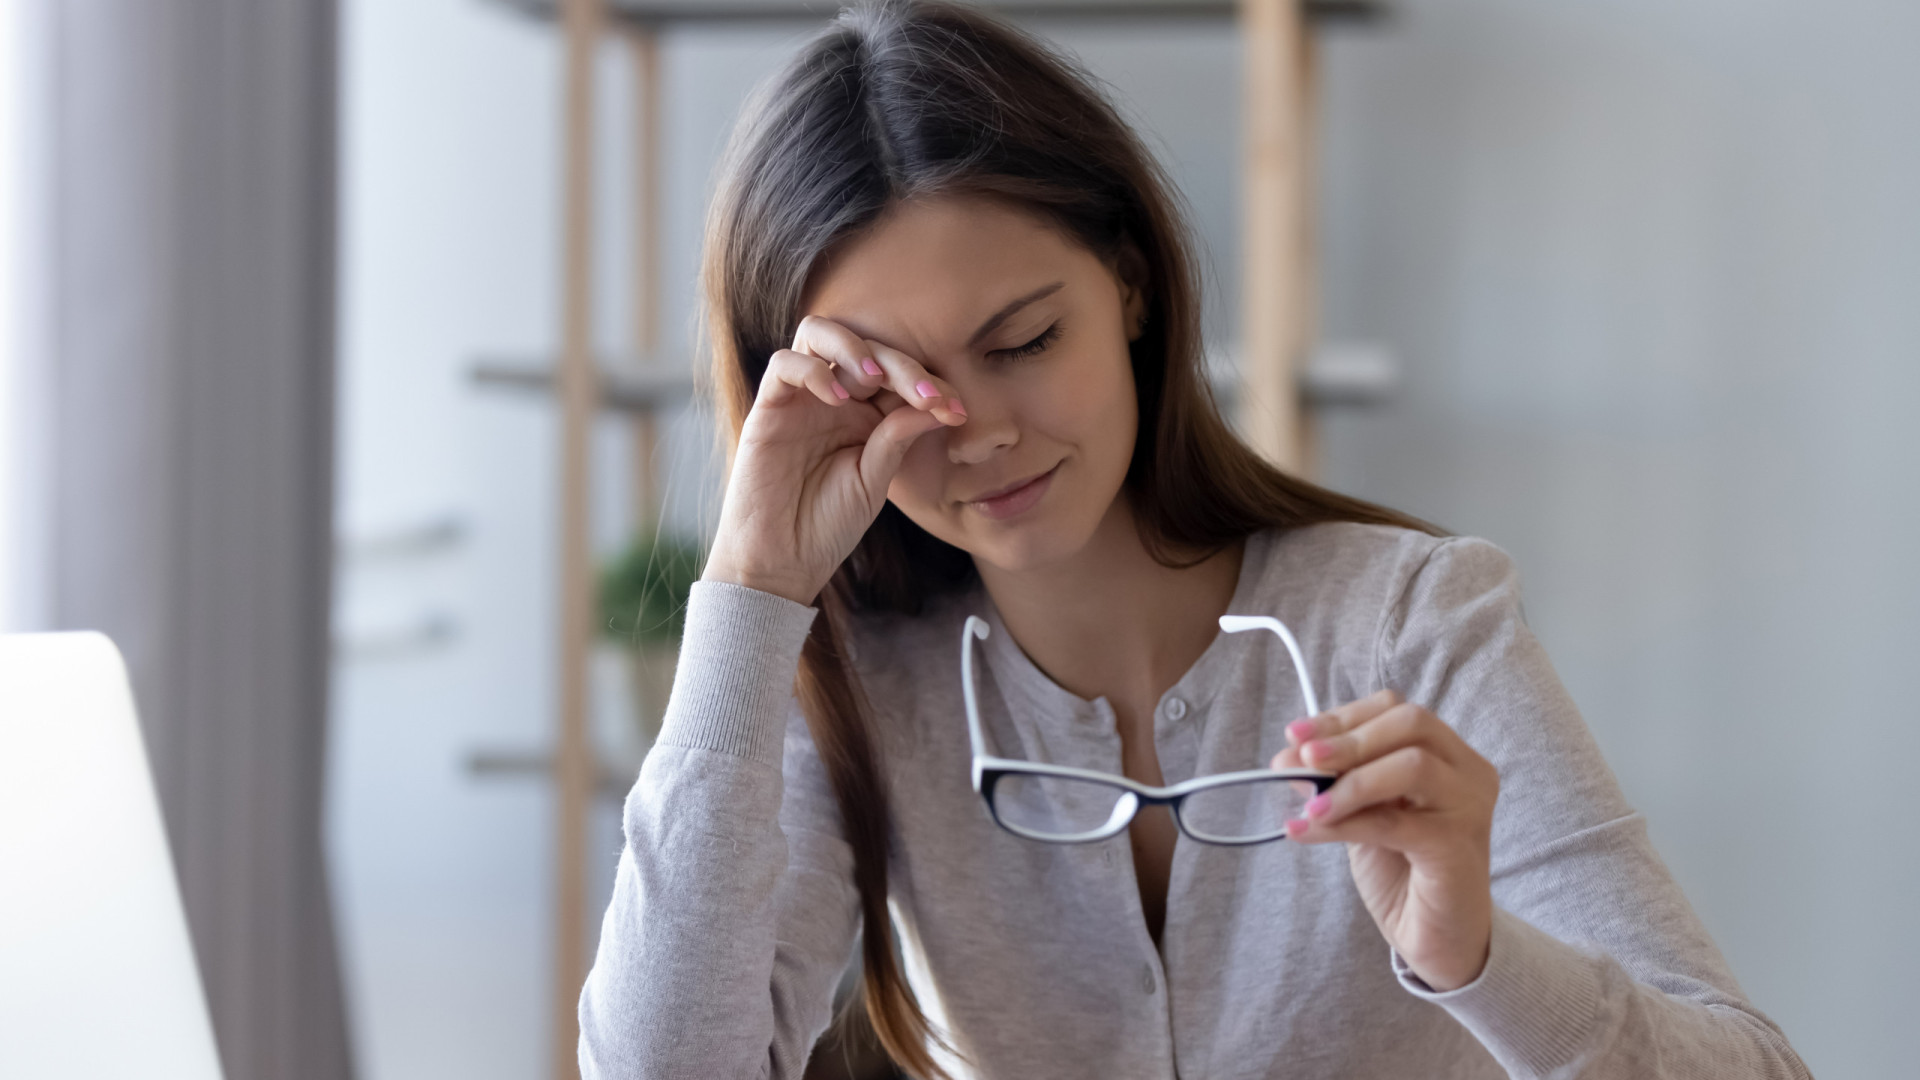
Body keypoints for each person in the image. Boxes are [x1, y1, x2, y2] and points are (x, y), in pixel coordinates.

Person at [578, 3, 1812, 1077]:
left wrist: (1478, 956)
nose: (982, 435)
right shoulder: (850, 681)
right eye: (898, 393)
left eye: (1022, 343)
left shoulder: (1410, 621)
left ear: (1131, 286)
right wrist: (752, 590)